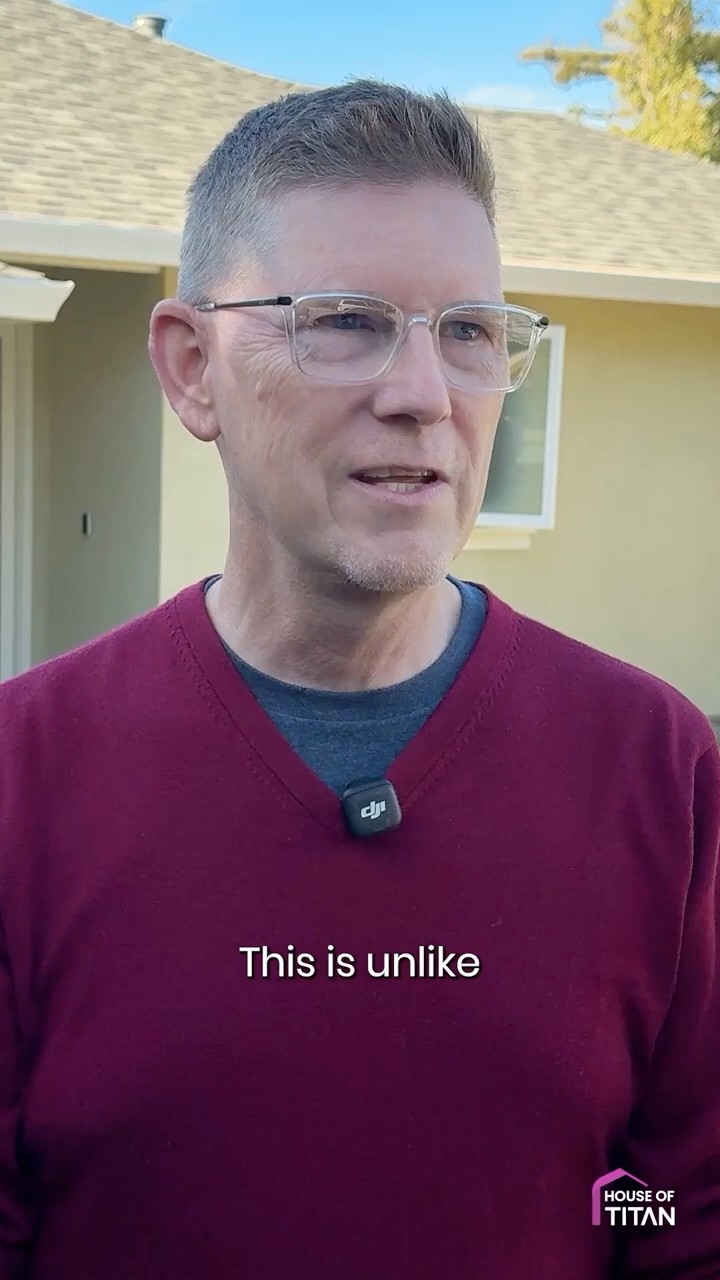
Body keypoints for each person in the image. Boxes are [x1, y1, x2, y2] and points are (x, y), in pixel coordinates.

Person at [0, 79, 718, 1280]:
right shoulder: (25, 778)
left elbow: (676, 1213)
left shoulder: (657, 768)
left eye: (471, 332)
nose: (425, 395)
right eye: (345, 321)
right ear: (192, 367)